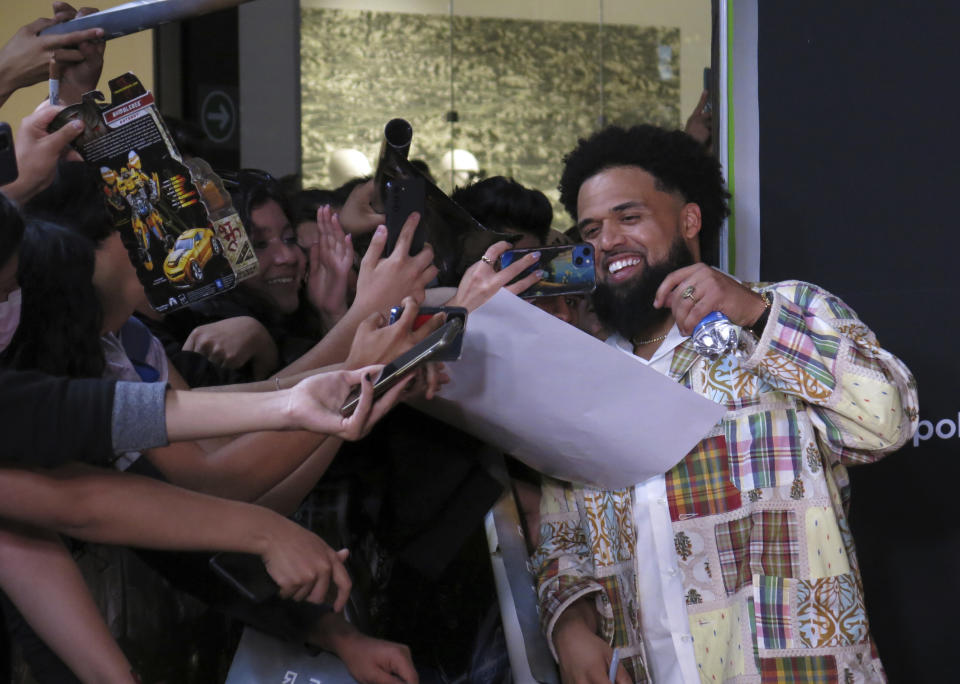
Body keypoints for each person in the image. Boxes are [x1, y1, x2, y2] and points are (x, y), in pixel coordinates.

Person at [531, 124, 918, 683]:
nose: (606, 240)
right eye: (590, 229)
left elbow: (889, 422)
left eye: (628, 217)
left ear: (689, 220)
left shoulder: (787, 310)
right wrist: (568, 625)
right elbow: (560, 535)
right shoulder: (588, 373)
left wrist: (757, 316)